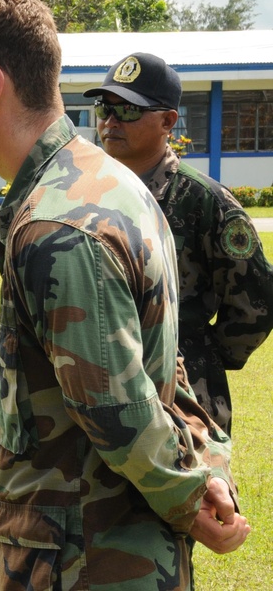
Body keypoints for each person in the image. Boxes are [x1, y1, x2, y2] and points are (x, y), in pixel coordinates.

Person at [0, 0, 250, 590]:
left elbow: (122, 410)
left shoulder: (58, 226)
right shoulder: (110, 184)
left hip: (83, 559)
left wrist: (196, 498)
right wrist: (207, 464)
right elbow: (167, 367)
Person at [84, 52, 273, 435]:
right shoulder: (89, 193)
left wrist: (201, 355)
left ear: (168, 121)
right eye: (105, 108)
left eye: (130, 111)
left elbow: (257, 302)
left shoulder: (205, 201)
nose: (111, 121)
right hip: (103, 390)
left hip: (185, 401)